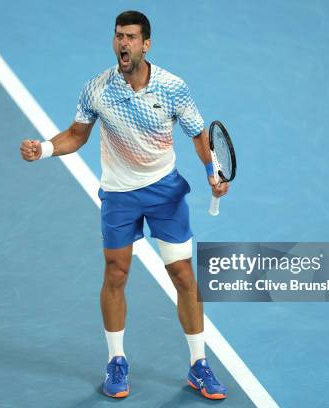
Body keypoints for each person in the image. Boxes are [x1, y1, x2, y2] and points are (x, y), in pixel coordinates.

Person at [20, 10, 229, 400]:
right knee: (116, 274)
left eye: (131, 37)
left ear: (146, 44)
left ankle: (199, 365)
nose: (123, 43)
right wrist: (44, 149)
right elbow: (76, 135)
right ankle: (117, 361)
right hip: (119, 195)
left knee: (183, 276)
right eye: (119, 36)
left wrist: (212, 172)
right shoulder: (97, 88)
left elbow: (199, 134)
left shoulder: (172, 87)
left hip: (165, 191)